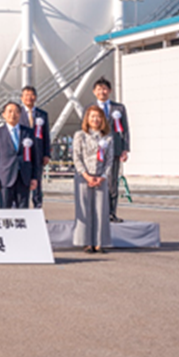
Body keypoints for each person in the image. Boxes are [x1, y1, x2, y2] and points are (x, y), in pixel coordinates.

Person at [73, 105, 113, 253]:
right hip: (83, 177)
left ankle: (99, 242)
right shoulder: (80, 135)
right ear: (87, 119)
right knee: (84, 209)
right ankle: (86, 242)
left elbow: (109, 160)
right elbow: (76, 157)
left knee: (101, 210)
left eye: (98, 116)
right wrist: (86, 175)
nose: (95, 119)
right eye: (92, 117)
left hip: (101, 178)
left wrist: (103, 176)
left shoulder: (107, 137)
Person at [92, 77, 129, 222]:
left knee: (112, 183)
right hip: (95, 152)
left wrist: (125, 149)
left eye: (105, 89)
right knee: (96, 182)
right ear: (94, 92)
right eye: (99, 89)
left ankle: (111, 213)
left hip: (114, 150)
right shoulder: (90, 108)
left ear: (110, 91)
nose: (103, 92)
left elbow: (125, 129)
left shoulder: (119, 108)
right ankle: (97, 213)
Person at [0, 102, 38, 209]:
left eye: (16, 112)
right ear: (3, 114)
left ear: (20, 114)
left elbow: (35, 157)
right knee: (5, 210)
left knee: (23, 211)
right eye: (9, 111)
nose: (13, 114)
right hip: (5, 178)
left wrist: (34, 177)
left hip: (24, 177)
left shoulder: (28, 132)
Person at [20, 86, 51, 208]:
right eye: (26, 95)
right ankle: (23, 210)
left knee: (37, 183)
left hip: (38, 154)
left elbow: (46, 136)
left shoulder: (42, 115)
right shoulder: (17, 113)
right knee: (23, 182)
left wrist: (46, 154)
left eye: (32, 95)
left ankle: (38, 209)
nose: (29, 98)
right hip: (23, 155)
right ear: (22, 98)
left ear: (36, 97)